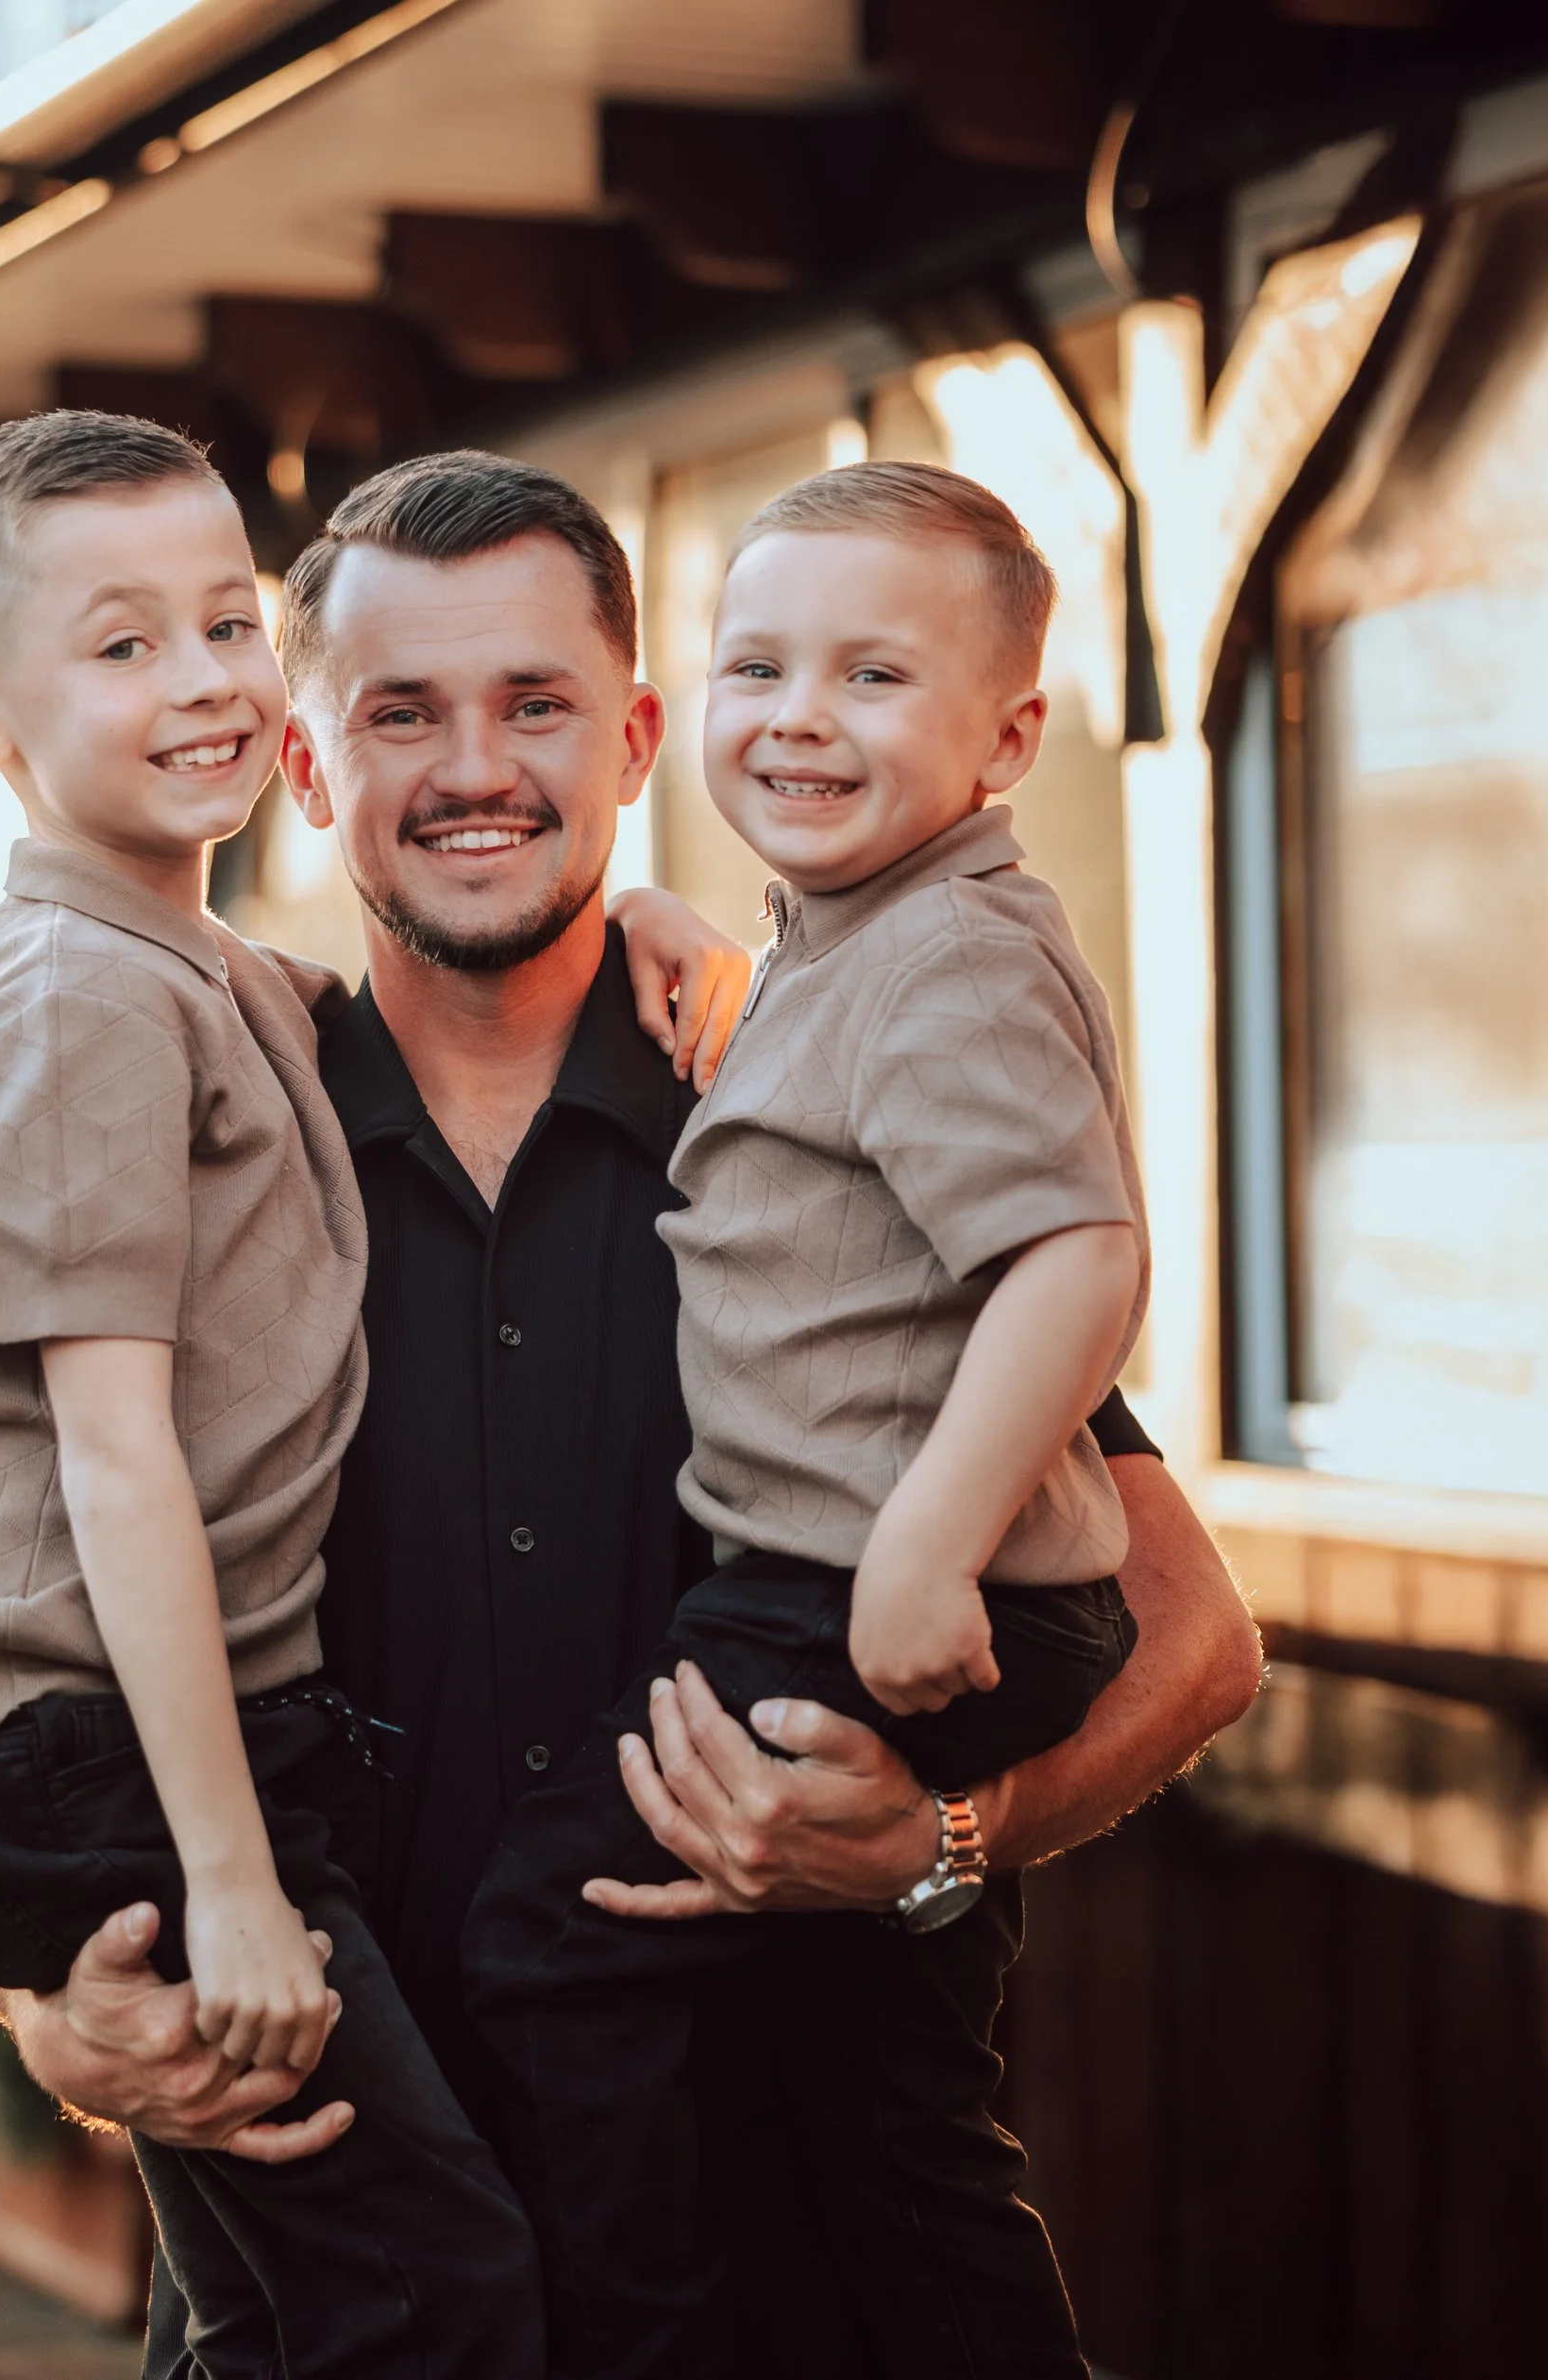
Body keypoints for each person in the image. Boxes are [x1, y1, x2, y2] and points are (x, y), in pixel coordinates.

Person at [0, 449, 1264, 2375]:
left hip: (812, 2277)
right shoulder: (189, 1144)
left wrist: (938, 1840)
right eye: (400, 712)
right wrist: (40, 2008)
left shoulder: (798, 1124)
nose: (473, 768)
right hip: (350, 2297)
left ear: (636, 735)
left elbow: (1192, 1636)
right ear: (309, 772)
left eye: (537, 705)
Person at [0, 413, 733, 2378]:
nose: (194, 686)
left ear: (629, 739)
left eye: (217, 627)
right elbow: (81, 1477)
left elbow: (1167, 1625)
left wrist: (666, 927)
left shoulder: (229, 997)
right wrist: (150, 1944)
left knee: (315, 2319)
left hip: (730, 2179)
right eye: (117, 646)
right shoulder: (90, 1008)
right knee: (420, 2309)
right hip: (133, 1786)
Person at [462, 458, 1144, 2378]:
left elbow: (1076, 1260)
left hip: (866, 1585)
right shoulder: (844, 946)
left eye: (870, 677)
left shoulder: (946, 957)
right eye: (757, 667)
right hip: (868, 1574)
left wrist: (923, 1548)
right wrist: (655, 911)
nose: (796, 719)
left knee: (550, 1944)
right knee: (881, 2109)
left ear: (1006, 736)